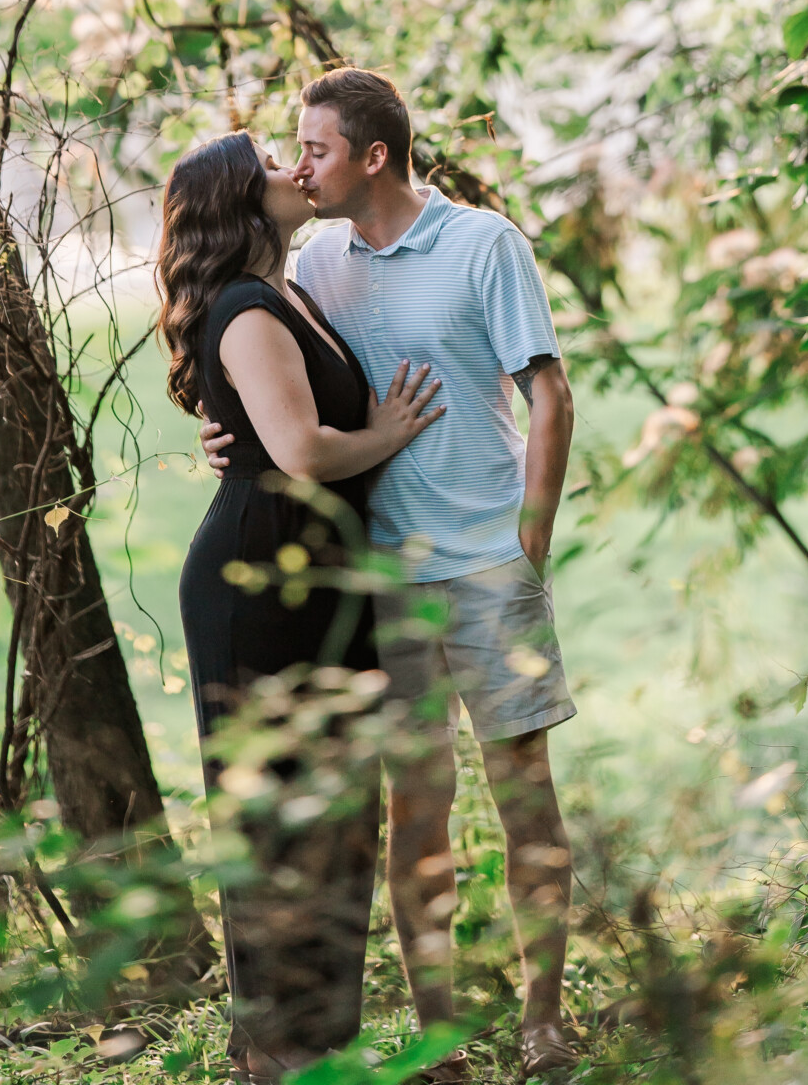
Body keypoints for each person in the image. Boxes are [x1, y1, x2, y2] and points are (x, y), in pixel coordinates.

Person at [203, 72, 579, 1080]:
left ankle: (544, 1018)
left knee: (525, 797)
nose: (300, 164)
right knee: (416, 816)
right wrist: (233, 437)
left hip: (491, 568)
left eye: (314, 147)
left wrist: (528, 545)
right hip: (384, 584)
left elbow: (548, 392)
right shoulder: (319, 261)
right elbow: (272, 368)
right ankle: (438, 1034)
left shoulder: (484, 245)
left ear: (373, 156)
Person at [158, 128, 445, 1081]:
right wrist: (389, 431)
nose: (293, 171)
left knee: (334, 811)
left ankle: (319, 1039)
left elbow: (269, 425)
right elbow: (306, 453)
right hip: (260, 586)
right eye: (273, 165)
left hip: (316, 576)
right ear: (242, 200)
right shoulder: (245, 307)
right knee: (280, 814)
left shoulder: (286, 292)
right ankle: (279, 1050)